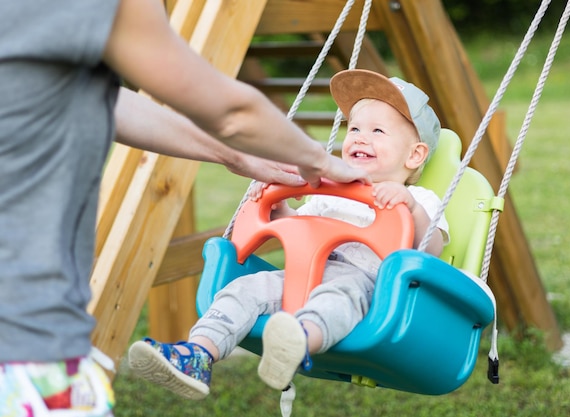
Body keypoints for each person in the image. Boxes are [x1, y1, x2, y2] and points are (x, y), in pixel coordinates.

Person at [0, 1, 370, 415]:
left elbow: (104, 100)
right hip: (23, 341)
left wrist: (234, 155)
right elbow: (230, 112)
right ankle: (202, 350)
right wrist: (318, 159)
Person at [127, 68, 450, 400]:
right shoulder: (331, 193)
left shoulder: (420, 200)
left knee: (338, 298)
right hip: (303, 277)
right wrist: (277, 208)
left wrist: (410, 208)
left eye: (378, 130)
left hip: (366, 286)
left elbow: (430, 250)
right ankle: (198, 353)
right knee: (244, 288)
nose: (359, 137)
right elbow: (302, 225)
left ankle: (297, 341)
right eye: (354, 128)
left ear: (414, 155)